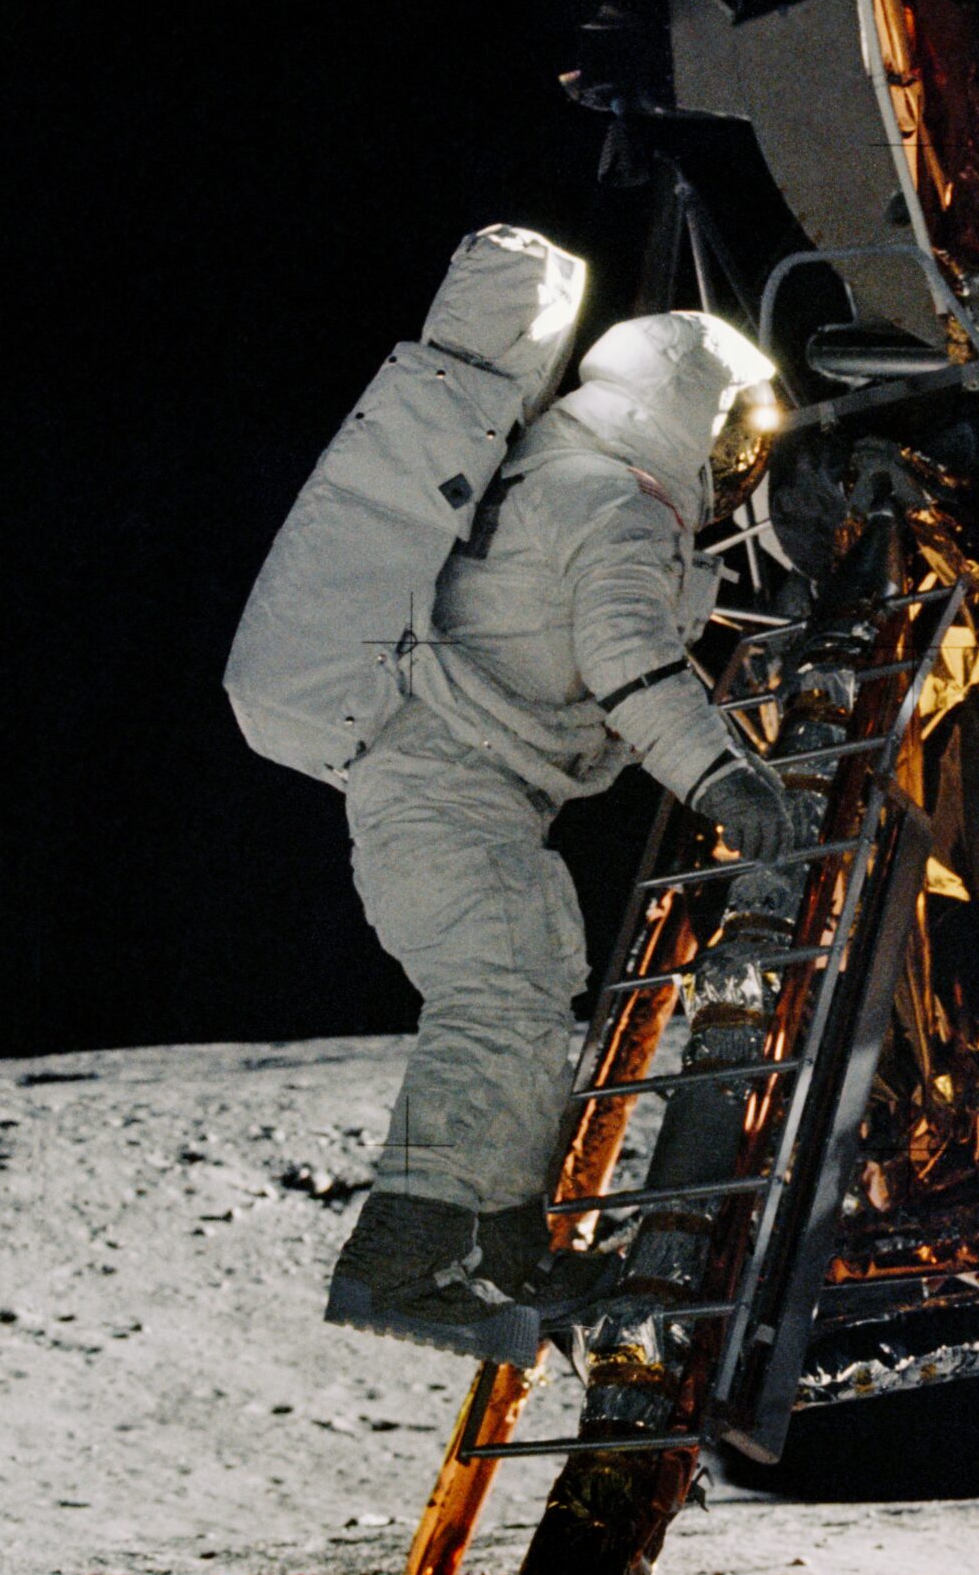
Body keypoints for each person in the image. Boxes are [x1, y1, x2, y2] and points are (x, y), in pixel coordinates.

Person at [325, 309, 793, 1363]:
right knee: (496, 1002)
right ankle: (395, 1259)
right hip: (444, 792)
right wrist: (722, 775)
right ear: (682, 406)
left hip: (462, 798)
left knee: (531, 1002)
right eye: (726, 427)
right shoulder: (609, 500)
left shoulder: (559, 477)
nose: (731, 458)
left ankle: (500, 1251)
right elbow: (627, 655)